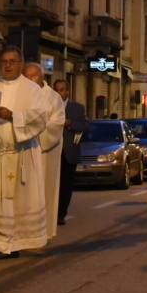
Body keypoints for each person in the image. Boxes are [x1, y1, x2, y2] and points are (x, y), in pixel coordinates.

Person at [0, 46, 49, 258]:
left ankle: (15, 243)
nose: (8, 65)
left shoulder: (31, 89)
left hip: (20, 154)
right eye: (4, 62)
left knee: (16, 201)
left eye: (13, 61)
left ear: (20, 64)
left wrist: (13, 116)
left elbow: (40, 118)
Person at [23, 62, 66, 240]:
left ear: (42, 77)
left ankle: (44, 231)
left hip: (44, 151)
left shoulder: (53, 98)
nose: (30, 80)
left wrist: (32, 129)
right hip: (23, 149)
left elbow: (56, 123)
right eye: (26, 76)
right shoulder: (22, 94)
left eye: (34, 76)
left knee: (44, 190)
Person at [53, 79, 86, 225]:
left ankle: (61, 214)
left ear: (67, 91)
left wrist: (70, 123)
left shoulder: (77, 108)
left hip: (68, 153)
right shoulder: (48, 106)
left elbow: (84, 126)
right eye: (56, 90)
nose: (59, 93)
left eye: (61, 90)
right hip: (52, 151)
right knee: (52, 185)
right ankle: (50, 213)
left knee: (65, 186)